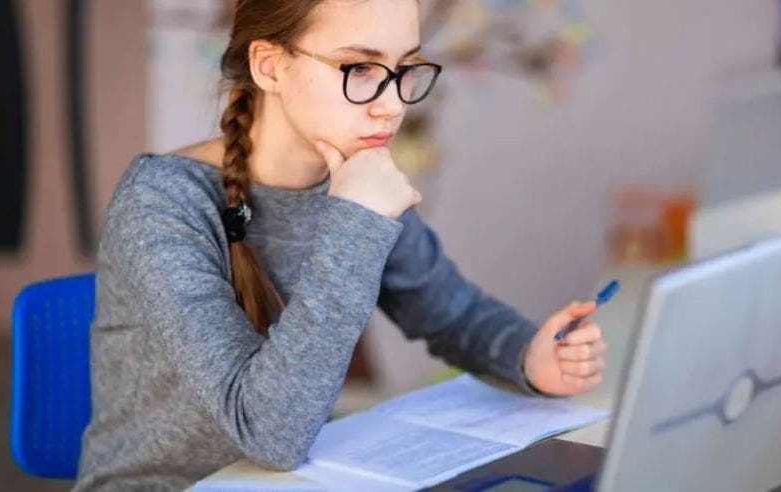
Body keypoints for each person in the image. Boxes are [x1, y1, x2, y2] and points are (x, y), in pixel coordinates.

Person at [74, 0, 607, 489]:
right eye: (360, 69)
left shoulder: (355, 180)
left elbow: (451, 312)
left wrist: (525, 354)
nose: (393, 105)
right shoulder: (161, 202)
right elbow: (268, 433)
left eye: (404, 69)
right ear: (270, 65)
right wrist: (356, 221)